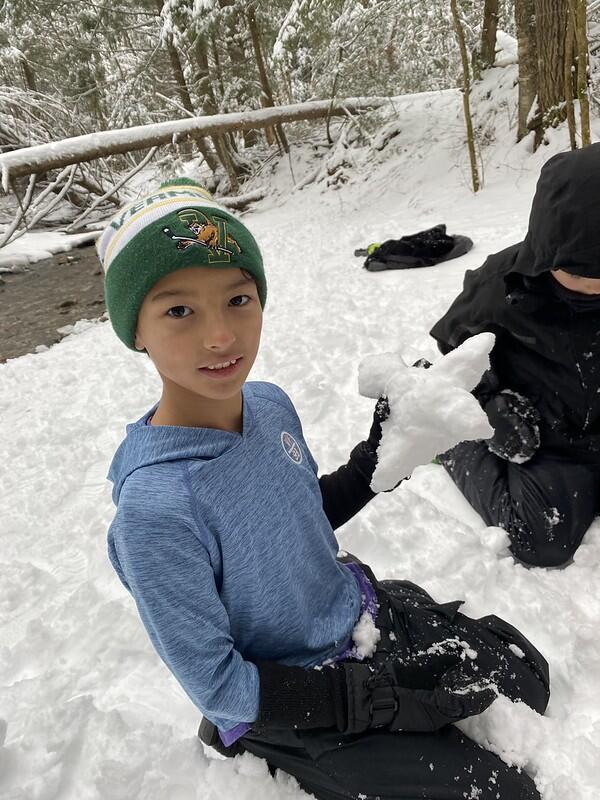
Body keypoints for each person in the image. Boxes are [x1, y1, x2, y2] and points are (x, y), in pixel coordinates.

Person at [101, 178, 549, 800]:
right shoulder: (157, 511)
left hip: (355, 612)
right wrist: (358, 700)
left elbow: (297, 515)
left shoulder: (267, 404)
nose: (221, 337)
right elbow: (216, 681)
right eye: (179, 310)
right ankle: (262, 749)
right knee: (506, 794)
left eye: (239, 299)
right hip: (290, 693)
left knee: (528, 679)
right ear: (136, 329)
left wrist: (377, 459)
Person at [430, 143, 600, 569]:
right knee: (542, 541)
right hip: (548, 437)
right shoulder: (500, 287)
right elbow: (453, 348)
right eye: (579, 273)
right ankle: (453, 441)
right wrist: (489, 405)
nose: (595, 286)